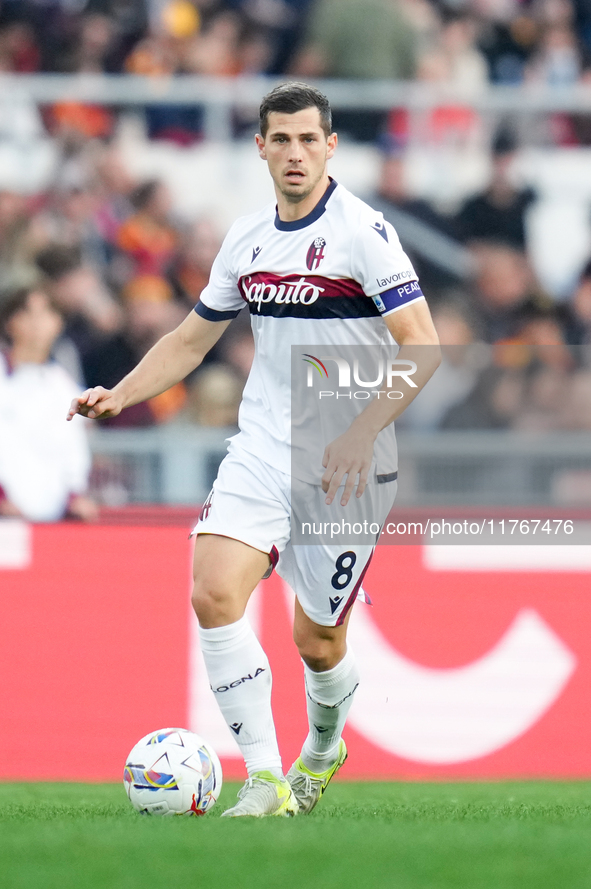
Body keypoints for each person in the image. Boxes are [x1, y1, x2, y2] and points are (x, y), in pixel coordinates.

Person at [68, 82, 440, 817]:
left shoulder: (364, 234)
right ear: (260, 147)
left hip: (347, 466)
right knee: (212, 589)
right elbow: (189, 340)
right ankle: (265, 777)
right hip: (265, 446)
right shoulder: (246, 240)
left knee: (319, 642)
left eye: (309, 139)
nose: (295, 152)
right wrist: (121, 392)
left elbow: (422, 348)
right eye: (282, 139)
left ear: (331, 146)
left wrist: (362, 430)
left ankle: (323, 747)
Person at [0, 286, 96, 522]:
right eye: (28, 314)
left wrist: (75, 497)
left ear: (58, 323)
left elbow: (74, 453)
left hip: (50, 518)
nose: (37, 324)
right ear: (10, 322)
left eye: (45, 314)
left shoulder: (63, 386)